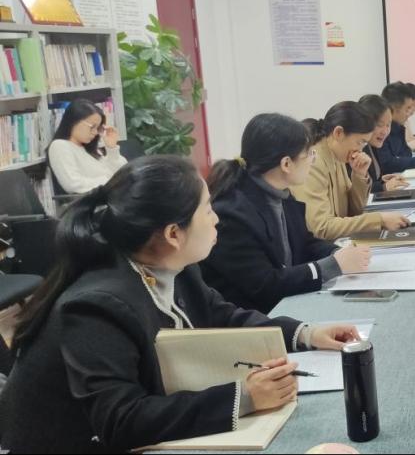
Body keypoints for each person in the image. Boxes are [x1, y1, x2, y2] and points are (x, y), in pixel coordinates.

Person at [0, 156, 362, 452]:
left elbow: (222, 317)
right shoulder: (97, 306)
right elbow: (121, 420)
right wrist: (244, 397)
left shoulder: (174, 267)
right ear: (174, 233)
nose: (217, 219)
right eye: (208, 210)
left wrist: (306, 334)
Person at [200, 113, 372, 314]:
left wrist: (336, 253)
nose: (313, 159)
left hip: (287, 306)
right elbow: (265, 285)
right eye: (309, 154)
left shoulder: (281, 193)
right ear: (286, 164)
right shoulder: (232, 214)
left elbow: (305, 243)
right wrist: (333, 265)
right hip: (259, 318)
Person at [291, 101, 410, 240]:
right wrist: (379, 220)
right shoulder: (312, 162)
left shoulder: (337, 155)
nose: (360, 150)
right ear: (338, 133)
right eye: (360, 142)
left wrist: (359, 175)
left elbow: (354, 211)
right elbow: (321, 228)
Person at [47, 98, 127, 194]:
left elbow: (123, 173)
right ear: (74, 121)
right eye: (92, 127)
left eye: (98, 128)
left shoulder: (90, 148)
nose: (95, 132)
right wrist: (109, 181)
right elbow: (73, 184)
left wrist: (112, 149)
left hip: (114, 196)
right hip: (96, 201)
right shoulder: (60, 146)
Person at [359, 94, 411, 193]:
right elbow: (356, 192)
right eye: (380, 125)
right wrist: (383, 187)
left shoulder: (373, 145)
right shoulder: (357, 150)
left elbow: (372, 181)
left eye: (388, 125)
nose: (385, 131)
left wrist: (384, 180)